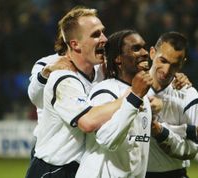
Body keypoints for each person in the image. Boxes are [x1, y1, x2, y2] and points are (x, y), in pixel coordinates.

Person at [25, 6, 128, 178]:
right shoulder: (51, 66)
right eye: (95, 34)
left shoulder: (101, 69)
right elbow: (34, 96)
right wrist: (46, 73)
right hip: (55, 161)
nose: (104, 39)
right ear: (73, 42)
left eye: (103, 32)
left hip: (83, 165)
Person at [146, 31, 198, 178]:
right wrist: (187, 130)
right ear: (152, 53)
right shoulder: (131, 87)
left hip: (173, 174)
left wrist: (161, 133)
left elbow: (191, 150)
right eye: (162, 61)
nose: (167, 70)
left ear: (182, 63)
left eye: (174, 65)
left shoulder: (189, 95)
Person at [75, 29, 153, 178]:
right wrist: (134, 98)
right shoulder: (105, 90)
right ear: (118, 59)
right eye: (136, 48)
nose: (144, 52)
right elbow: (107, 139)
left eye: (143, 47)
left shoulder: (141, 93)